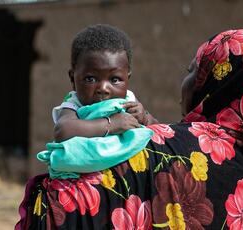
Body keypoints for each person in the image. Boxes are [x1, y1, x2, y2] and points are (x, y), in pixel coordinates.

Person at [16, 29, 243, 230]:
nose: (102, 89)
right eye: (90, 78)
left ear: (214, 81)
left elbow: (72, 205)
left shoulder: (158, 144)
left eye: (192, 71)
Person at [37, 24, 158, 179]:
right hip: (86, 185)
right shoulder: (74, 104)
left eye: (115, 79)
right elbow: (63, 131)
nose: (103, 88)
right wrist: (111, 124)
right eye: (90, 79)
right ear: (72, 78)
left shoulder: (128, 100)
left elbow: (157, 130)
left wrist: (145, 117)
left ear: (128, 78)